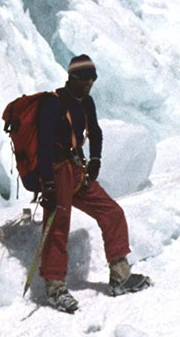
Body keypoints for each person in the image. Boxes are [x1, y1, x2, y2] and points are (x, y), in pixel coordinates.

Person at [36, 54, 151, 313]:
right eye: (85, 78)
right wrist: (48, 185)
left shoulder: (86, 102)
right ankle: (54, 288)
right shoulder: (53, 104)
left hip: (77, 170)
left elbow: (95, 131)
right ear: (72, 78)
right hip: (57, 171)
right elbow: (42, 147)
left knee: (112, 212)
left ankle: (120, 275)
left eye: (93, 78)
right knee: (57, 226)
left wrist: (96, 159)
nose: (90, 83)